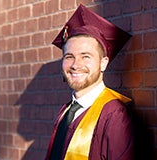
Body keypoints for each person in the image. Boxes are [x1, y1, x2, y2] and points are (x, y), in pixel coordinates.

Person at [46, 4, 134, 160]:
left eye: (85, 56)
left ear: (103, 63)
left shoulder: (115, 115)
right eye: (69, 57)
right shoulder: (66, 111)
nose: (75, 65)